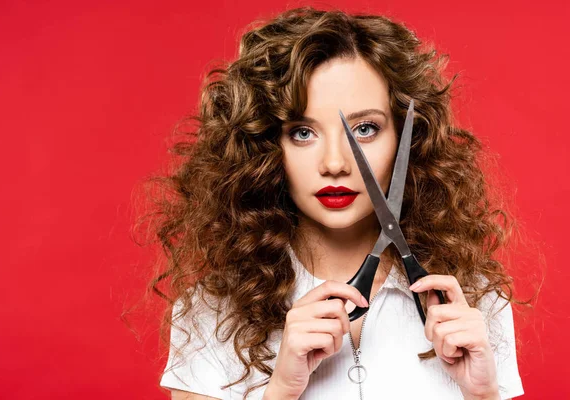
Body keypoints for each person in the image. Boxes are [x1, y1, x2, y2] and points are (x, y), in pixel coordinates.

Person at [144, 6, 525, 400]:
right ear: (266, 147)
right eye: (303, 132)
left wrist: (483, 395)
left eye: (365, 129)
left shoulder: (473, 304)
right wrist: (281, 390)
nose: (335, 164)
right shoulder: (214, 312)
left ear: (407, 139)